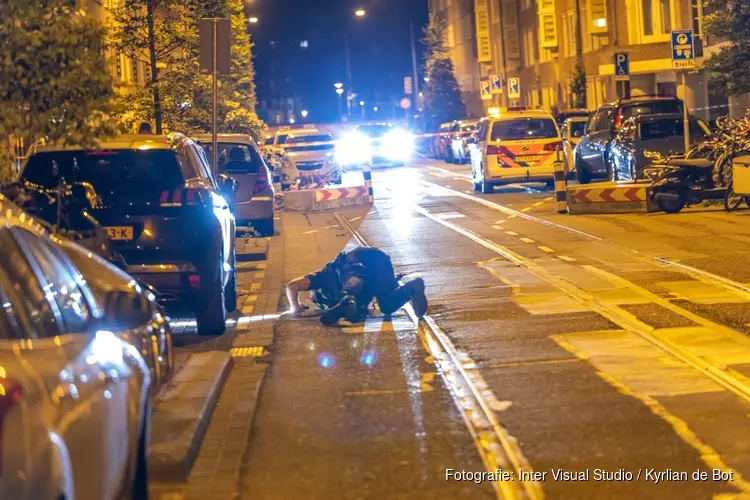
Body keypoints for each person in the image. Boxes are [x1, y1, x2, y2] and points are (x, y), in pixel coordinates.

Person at [286, 247, 428, 325]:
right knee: (387, 306)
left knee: (352, 282)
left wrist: (295, 307)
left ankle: (349, 299)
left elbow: (291, 286)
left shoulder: (322, 276)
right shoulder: (332, 285)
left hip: (359, 260)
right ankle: (413, 287)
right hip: (381, 263)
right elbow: (291, 286)